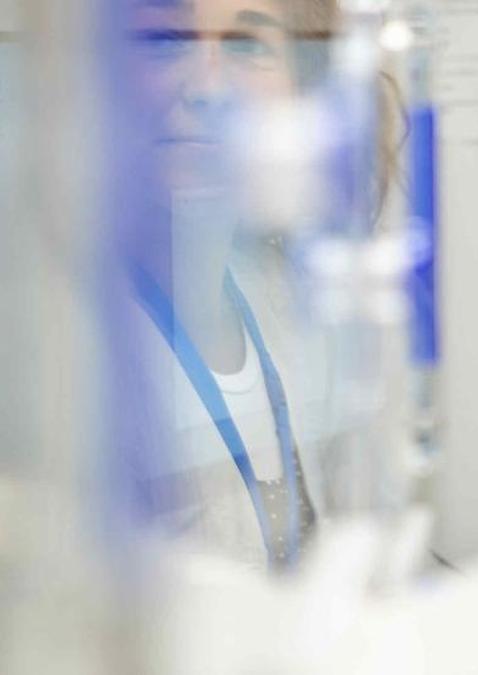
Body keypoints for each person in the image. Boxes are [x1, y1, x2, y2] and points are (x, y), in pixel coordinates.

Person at [113, 0, 396, 570]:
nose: (208, 86)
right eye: (167, 41)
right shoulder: (59, 333)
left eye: (247, 45)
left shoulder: (286, 291)